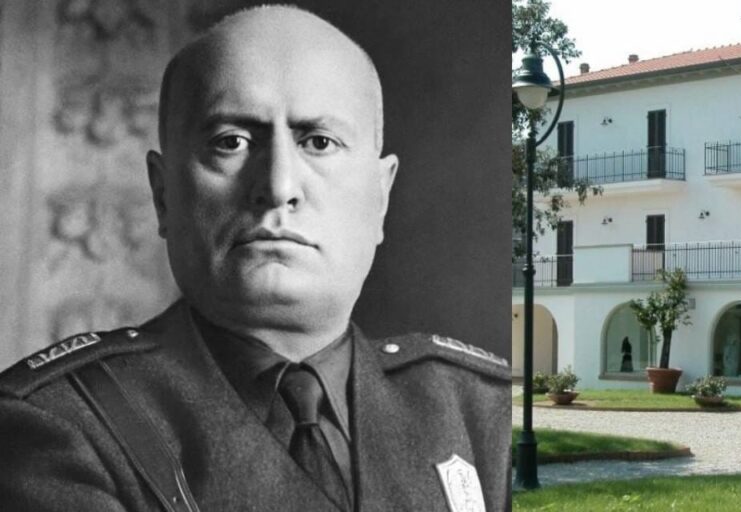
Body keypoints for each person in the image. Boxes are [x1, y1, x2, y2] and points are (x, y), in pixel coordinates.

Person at [0, 6, 509, 512]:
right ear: (163, 195)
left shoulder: (484, 415)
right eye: (231, 142)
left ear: (380, 197)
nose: (278, 187)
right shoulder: (63, 423)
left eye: (319, 142)